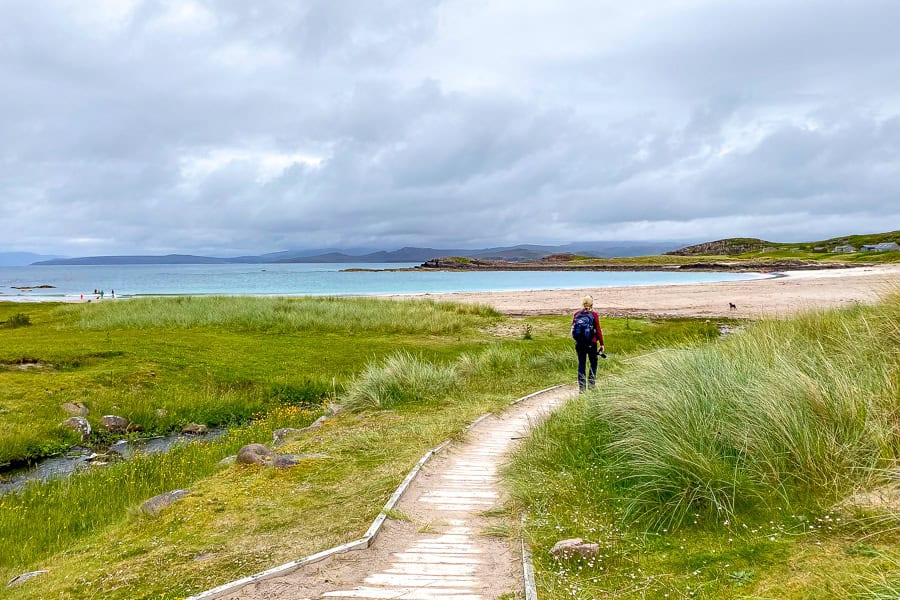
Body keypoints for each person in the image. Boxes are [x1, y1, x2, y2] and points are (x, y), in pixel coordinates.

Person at [572, 295, 604, 392]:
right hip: (591, 343)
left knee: (581, 364)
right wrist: (602, 344)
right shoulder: (594, 315)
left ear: (583, 303)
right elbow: (598, 330)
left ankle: (582, 389)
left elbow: (573, 329)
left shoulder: (577, 314)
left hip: (579, 344)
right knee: (593, 363)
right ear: (592, 304)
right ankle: (591, 386)